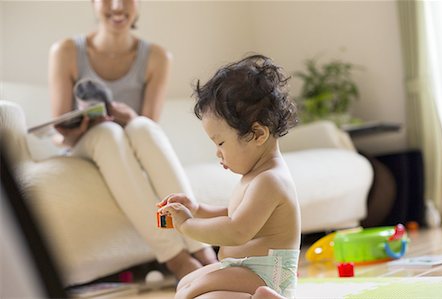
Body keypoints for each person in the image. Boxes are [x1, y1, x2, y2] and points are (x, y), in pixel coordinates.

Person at [48, 0, 217, 280]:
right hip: (86, 144)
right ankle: (175, 258)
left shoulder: (157, 57)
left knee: (142, 127)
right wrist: (84, 125)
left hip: (130, 141)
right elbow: (60, 130)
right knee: (107, 133)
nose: (117, 5)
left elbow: (148, 126)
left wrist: (128, 116)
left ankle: (201, 249)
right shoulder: (66, 51)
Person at [158, 54, 301, 299]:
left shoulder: (270, 180)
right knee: (186, 285)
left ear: (258, 134)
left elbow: (237, 230)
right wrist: (197, 208)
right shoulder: (256, 175)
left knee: (195, 294)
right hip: (248, 271)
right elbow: (234, 214)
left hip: (269, 276)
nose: (218, 153)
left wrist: (187, 225)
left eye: (221, 142)